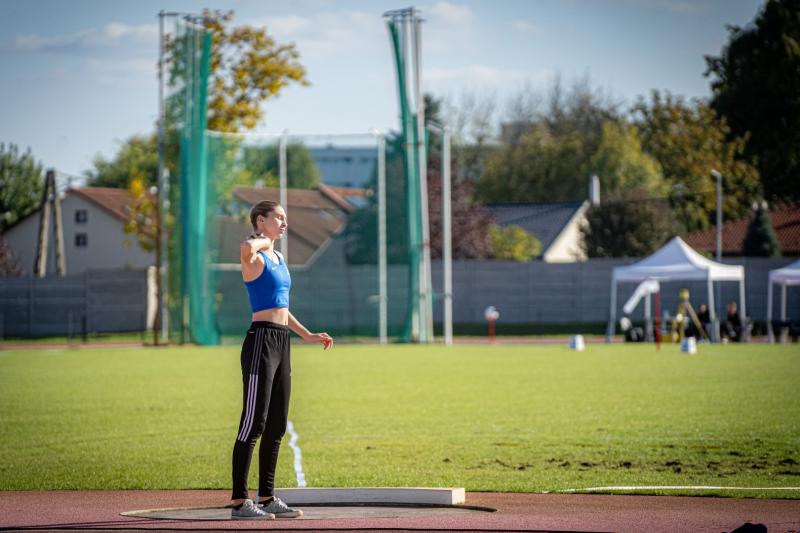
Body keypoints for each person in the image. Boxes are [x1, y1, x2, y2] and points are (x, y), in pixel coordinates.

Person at [230, 200, 333, 520]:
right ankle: (238, 502)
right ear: (261, 221)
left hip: (281, 341)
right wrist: (264, 237)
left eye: (285, 219)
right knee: (254, 423)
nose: (285, 223)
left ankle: (266, 497)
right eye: (279, 218)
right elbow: (244, 248)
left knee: (276, 425)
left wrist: (309, 335)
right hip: (260, 340)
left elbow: (283, 309)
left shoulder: (278, 258)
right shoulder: (256, 255)